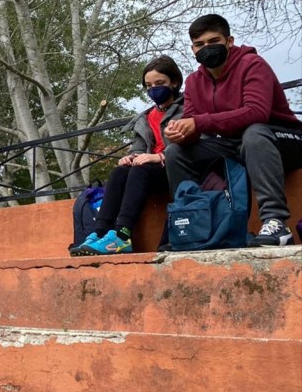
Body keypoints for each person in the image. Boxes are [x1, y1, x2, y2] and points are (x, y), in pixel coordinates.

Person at [164, 14, 302, 246]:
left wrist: (199, 122)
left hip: (283, 138)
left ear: (229, 41)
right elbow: (192, 122)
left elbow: (256, 112)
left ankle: (276, 222)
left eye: (213, 41)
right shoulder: (194, 81)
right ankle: (191, 225)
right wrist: (181, 132)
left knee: (254, 133)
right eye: (199, 44)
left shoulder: (253, 65)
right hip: (237, 145)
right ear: (192, 48)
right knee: (176, 152)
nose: (206, 48)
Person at [72, 55, 184, 255]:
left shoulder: (187, 109)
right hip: (150, 172)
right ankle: (100, 233)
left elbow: (194, 143)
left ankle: (122, 236)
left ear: (174, 82)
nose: (153, 89)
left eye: (159, 83)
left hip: (177, 167)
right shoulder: (146, 117)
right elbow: (139, 147)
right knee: (120, 171)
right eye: (149, 86)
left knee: (140, 171)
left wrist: (160, 156)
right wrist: (132, 157)